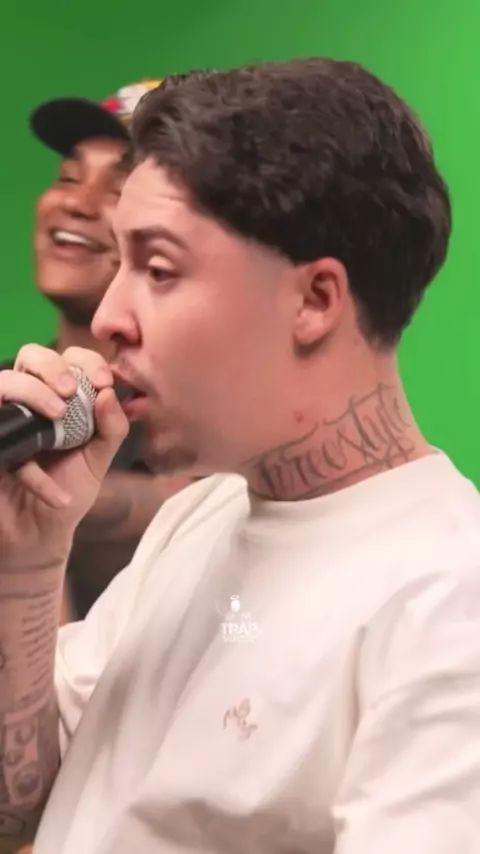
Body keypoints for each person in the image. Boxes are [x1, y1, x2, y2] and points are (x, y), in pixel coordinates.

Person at [0, 58, 479, 854]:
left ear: (314, 300)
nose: (110, 316)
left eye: (158, 269)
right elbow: (15, 811)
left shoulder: (449, 595)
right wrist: (29, 563)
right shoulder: (203, 515)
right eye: (119, 264)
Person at [0, 80, 190, 620]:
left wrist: (44, 498)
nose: (76, 204)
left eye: (119, 189)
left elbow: (199, 506)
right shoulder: (10, 394)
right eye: (67, 177)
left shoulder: (201, 411)